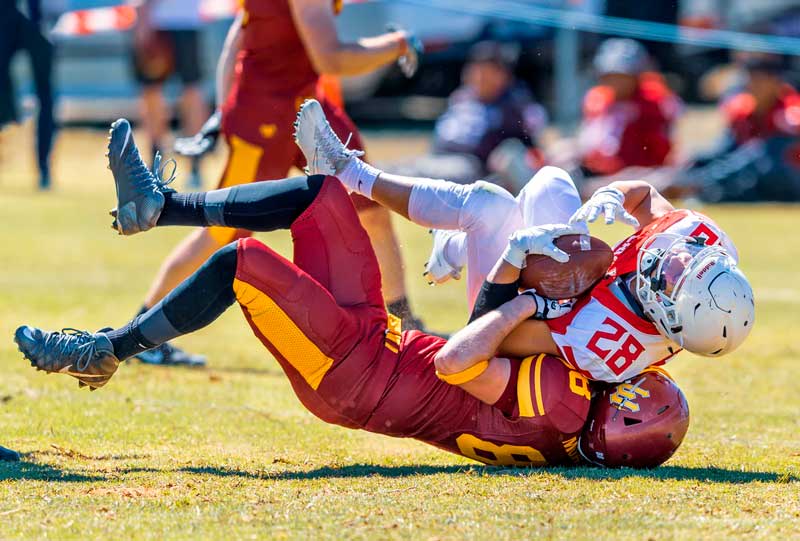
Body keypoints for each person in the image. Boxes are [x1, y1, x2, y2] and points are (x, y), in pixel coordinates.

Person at [15, 118, 594, 468]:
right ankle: (160, 207)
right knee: (321, 195)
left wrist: (520, 289)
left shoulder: (567, 404)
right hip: (380, 343)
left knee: (242, 263)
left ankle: (107, 350)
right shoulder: (582, 393)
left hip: (356, 374)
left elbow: (460, 357)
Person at [292, 99, 755, 383]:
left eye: (673, 278)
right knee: (550, 183)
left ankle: (349, 173)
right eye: (686, 263)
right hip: (564, 281)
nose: (673, 259)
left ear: (665, 313)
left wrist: (519, 271)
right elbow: (648, 200)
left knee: (488, 205)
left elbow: (500, 338)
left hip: (511, 310)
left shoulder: (607, 343)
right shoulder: (703, 245)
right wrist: (614, 193)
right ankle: (452, 247)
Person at [132, 0, 424, 366]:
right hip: (265, 117)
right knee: (223, 233)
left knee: (372, 204)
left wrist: (223, 108)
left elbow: (239, 35)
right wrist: (397, 44)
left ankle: (405, 325)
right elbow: (330, 59)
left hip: (308, 106)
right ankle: (143, 334)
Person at [387, 41, 546, 191]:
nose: (480, 77)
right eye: (476, 70)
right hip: (440, 157)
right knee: (400, 167)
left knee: (410, 175)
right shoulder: (463, 97)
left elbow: (525, 145)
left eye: (488, 72)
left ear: (503, 76)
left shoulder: (512, 105)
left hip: (472, 166)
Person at [551, 38, 681, 189]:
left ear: (636, 76)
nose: (614, 82)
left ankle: (590, 189)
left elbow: (660, 150)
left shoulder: (654, 101)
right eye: (609, 76)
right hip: (599, 167)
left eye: (621, 76)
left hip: (639, 170)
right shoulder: (597, 98)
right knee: (562, 151)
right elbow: (587, 139)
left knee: (658, 180)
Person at [680, 51, 800, 202]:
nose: (754, 86)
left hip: (790, 181)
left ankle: (701, 185)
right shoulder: (742, 108)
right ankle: (687, 184)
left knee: (762, 152)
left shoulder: (791, 111)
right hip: (752, 176)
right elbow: (726, 152)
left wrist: (708, 178)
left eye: (760, 80)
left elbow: (763, 156)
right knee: (700, 160)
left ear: (776, 82)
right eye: (751, 79)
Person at [130, 0, 209, 188]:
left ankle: (158, 164)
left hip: (160, 21)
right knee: (189, 92)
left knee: (159, 94)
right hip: (186, 20)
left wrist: (143, 13)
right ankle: (192, 164)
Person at [0, 0, 56, 190]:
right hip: (7, 12)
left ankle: (44, 168)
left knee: (45, 95)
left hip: (37, 15)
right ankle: (10, 114)